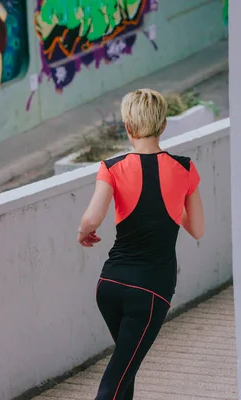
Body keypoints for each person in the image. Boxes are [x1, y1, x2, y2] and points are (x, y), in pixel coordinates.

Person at [78, 89, 205, 399]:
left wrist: (84, 232)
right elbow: (198, 229)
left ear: (127, 127)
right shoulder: (185, 168)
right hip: (150, 292)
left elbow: (92, 219)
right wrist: (173, 207)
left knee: (125, 373)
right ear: (163, 126)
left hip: (109, 286)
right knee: (114, 383)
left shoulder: (111, 167)